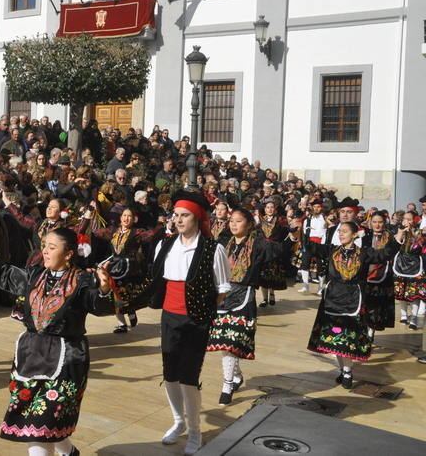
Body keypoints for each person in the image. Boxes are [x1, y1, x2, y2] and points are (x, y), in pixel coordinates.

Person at [0, 226, 112, 456]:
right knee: (41, 422)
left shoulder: (83, 280)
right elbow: (4, 274)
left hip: (67, 360)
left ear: (68, 253)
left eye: (52, 247)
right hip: (31, 355)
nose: (44, 251)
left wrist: (104, 289)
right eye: (44, 246)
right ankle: (69, 452)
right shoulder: (34, 275)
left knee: (42, 424)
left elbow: (99, 306)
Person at [149, 190, 230, 455]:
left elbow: (221, 289)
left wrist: (201, 311)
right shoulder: (166, 244)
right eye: (176, 215)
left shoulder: (213, 249)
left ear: (197, 218)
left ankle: (195, 431)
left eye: (185, 216)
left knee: (188, 378)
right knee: (170, 375)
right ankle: (178, 422)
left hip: (196, 319)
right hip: (169, 316)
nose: (179, 220)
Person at [206, 207, 291, 406]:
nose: (233, 224)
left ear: (249, 224)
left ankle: (227, 384)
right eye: (231, 221)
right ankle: (236, 377)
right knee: (225, 344)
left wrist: (294, 236)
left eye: (238, 221)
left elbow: (280, 250)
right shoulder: (222, 243)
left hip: (243, 296)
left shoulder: (259, 244)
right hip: (222, 296)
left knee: (231, 341)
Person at [303, 221, 404, 388]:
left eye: (345, 231)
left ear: (355, 235)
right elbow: (311, 247)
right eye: (340, 231)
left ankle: (348, 372)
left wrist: (398, 238)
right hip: (333, 299)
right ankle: (343, 371)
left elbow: (384, 254)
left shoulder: (364, 253)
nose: (341, 234)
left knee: (347, 337)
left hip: (353, 300)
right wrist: (298, 231)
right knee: (335, 338)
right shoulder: (332, 250)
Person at [82, 205, 164, 333]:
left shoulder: (137, 232)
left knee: (127, 294)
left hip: (130, 268)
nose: (126, 218)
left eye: (129, 216)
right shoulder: (112, 231)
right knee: (114, 292)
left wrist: (161, 223)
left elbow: (152, 234)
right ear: (120, 218)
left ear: (134, 219)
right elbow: (95, 231)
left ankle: (130, 310)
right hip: (114, 266)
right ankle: (122, 323)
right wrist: (88, 217)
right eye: (124, 215)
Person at [362, 211, 397, 339]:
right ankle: (364, 329)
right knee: (364, 304)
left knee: (376, 306)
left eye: (380, 222)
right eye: (375, 222)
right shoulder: (364, 235)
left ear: (385, 222)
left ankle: (371, 331)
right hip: (364, 274)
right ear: (370, 222)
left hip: (383, 275)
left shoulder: (389, 236)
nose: (377, 225)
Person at [256, 200, 288, 308]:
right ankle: (265, 299)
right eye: (267, 207)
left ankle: (272, 294)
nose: (270, 209)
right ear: (264, 209)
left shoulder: (280, 220)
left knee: (273, 274)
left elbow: (285, 233)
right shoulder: (260, 220)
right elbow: (256, 233)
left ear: (275, 209)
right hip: (263, 250)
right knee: (262, 275)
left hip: (275, 250)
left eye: (272, 207)